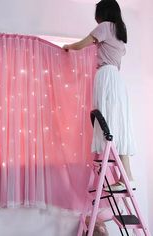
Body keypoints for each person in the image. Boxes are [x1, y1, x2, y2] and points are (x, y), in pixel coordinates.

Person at [63, 0, 136, 191]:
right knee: (116, 123)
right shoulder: (120, 31)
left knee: (108, 123)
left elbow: (81, 45)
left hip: (107, 77)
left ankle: (124, 176)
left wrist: (67, 46)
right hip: (117, 80)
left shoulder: (105, 27)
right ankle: (127, 176)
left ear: (103, 13)